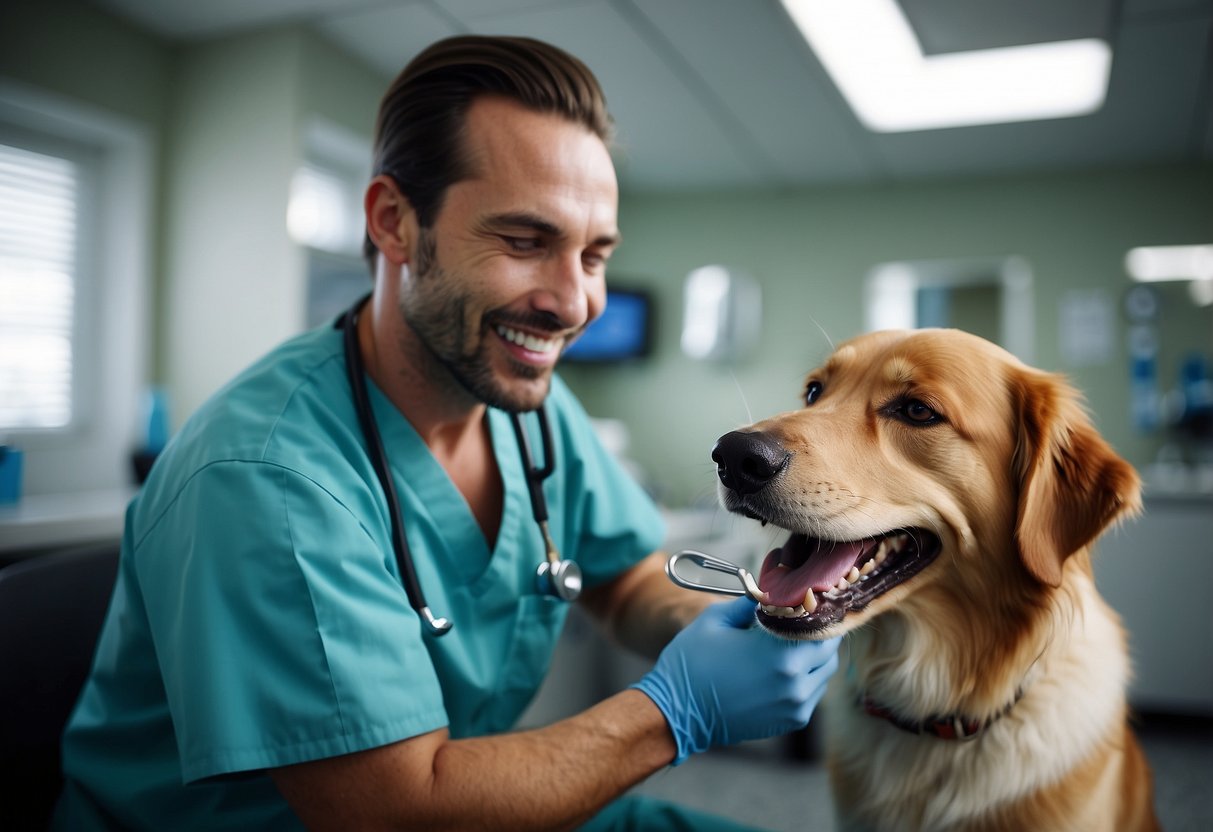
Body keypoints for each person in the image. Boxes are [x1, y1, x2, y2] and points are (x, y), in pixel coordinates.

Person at [53, 35, 839, 831]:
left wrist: (715, 624)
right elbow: (392, 809)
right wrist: (678, 710)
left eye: (593, 254)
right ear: (395, 222)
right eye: (525, 241)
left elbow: (625, 573)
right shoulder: (271, 478)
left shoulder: (526, 407)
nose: (573, 303)